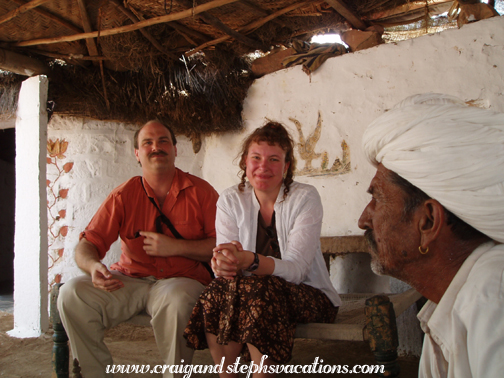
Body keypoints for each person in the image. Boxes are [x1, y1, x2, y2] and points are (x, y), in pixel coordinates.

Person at [358, 93, 504, 378]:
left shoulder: (492, 300)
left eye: (377, 199)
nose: (363, 220)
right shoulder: (452, 297)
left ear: (427, 222)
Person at [57, 120, 219, 378]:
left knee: (177, 301)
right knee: (71, 293)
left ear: (176, 149)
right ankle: (94, 373)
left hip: (181, 280)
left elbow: (220, 247)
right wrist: (93, 266)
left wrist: (175, 247)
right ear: (137, 153)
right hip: (129, 281)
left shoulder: (202, 192)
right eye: (148, 143)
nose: (157, 147)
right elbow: (89, 242)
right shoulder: (123, 195)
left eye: (164, 141)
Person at [184, 122, 341, 377]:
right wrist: (222, 264)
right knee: (215, 291)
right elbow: (225, 265)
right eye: (256, 157)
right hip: (250, 294)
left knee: (260, 289)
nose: (263, 166)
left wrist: (251, 261)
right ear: (245, 162)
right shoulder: (230, 200)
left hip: (310, 295)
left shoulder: (305, 198)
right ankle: (227, 375)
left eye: (274, 159)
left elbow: (298, 270)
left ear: (286, 166)